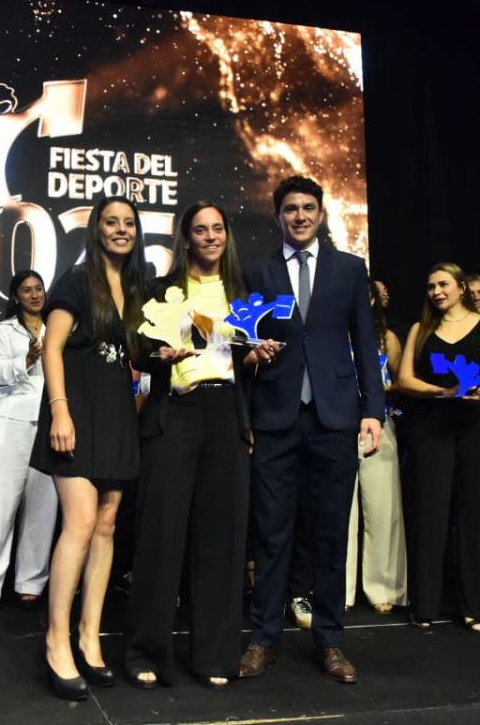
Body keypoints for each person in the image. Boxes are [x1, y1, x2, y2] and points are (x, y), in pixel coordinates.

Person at [238, 176, 385, 685]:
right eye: (290, 209)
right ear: (277, 216)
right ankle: (264, 637)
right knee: (272, 533)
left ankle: (330, 640)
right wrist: (245, 414)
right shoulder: (256, 270)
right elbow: (242, 343)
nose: (299, 216)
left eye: (307, 208)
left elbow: (364, 341)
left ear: (320, 215)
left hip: (335, 417)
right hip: (274, 418)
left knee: (329, 533)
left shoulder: (350, 269)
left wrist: (374, 409)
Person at [125, 202, 252, 689]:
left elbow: (250, 357)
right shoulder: (160, 290)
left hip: (226, 415)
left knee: (221, 539)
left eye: (217, 228)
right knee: (161, 535)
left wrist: (256, 355)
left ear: (227, 236)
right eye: (201, 230)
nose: (210, 236)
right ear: (187, 238)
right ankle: (145, 651)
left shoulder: (243, 292)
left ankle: (215, 656)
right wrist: (159, 354)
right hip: (174, 413)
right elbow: (137, 349)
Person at [32, 196, 148, 701]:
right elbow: (51, 347)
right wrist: (60, 410)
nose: (121, 229)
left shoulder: (139, 287)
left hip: (117, 413)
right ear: (97, 229)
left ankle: (88, 635)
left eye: (128, 223)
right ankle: (56, 640)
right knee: (79, 522)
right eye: (111, 222)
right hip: (75, 411)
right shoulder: (77, 280)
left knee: (106, 523)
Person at [397, 262, 480, 632]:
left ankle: (477, 606)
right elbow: (404, 379)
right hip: (432, 426)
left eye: (443, 284)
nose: (436, 292)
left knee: (479, 513)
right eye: (431, 286)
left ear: (461, 287)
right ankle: (426, 605)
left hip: (479, 425)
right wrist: (440, 392)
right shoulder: (420, 329)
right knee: (430, 513)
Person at [0, 270, 57, 618]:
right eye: (26, 290)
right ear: (16, 296)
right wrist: (27, 359)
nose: (34, 295)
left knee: (43, 505)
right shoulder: (5, 330)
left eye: (38, 289)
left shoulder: (59, 326)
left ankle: (31, 582)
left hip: (49, 420)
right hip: (11, 418)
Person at [344, 279, 408, 614]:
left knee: (382, 508)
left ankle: (383, 587)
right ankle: (339, 589)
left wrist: (377, 387)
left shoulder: (386, 337)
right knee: (339, 511)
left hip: (378, 422)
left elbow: (403, 380)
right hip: (337, 424)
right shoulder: (331, 333)